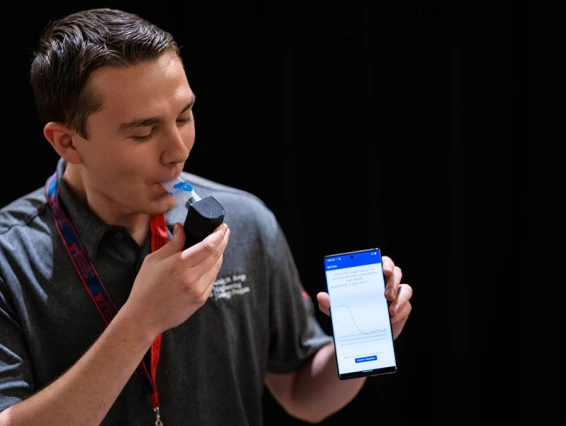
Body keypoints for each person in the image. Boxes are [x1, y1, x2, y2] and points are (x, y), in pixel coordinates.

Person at [0, 8, 413, 426]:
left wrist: (363, 337)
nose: (177, 150)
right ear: (67, 142)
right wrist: (140, 323)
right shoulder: (8, 257)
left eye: (184, 116)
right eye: (143, 133)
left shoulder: (245, 221)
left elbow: (302, 393)